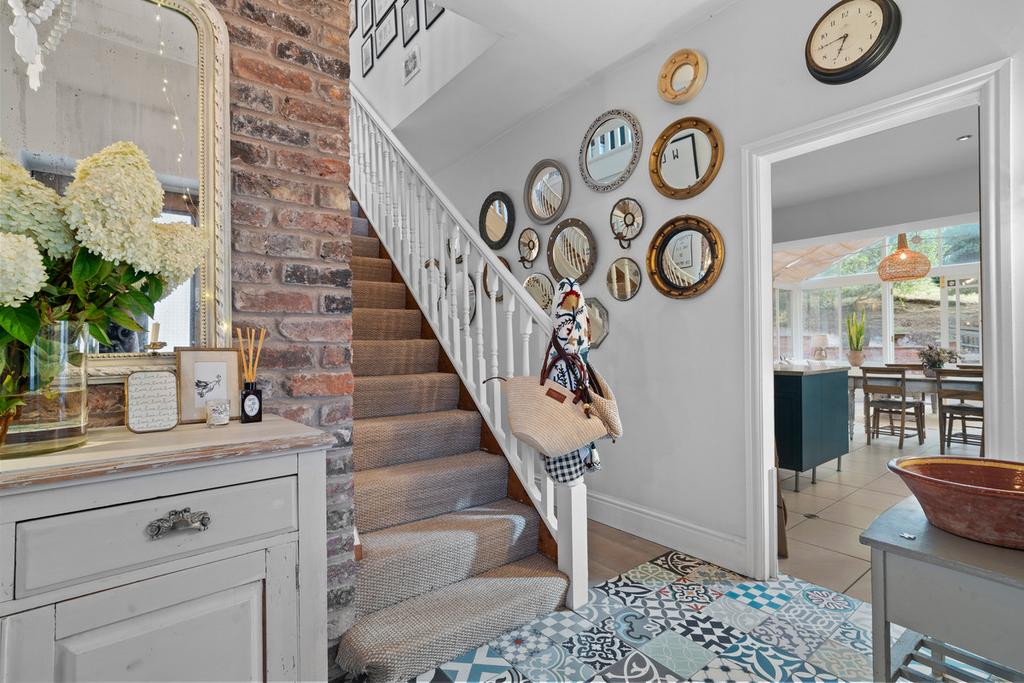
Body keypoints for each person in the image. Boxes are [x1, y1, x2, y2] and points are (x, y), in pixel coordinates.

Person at [543, 278, 601, 486]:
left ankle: (568, 460)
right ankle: (581, 457)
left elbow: (561, 333)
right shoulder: (582, 320)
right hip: (576, 372)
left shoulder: (563, 319)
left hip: (563, 373)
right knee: (573, 419)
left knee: (562, 419)